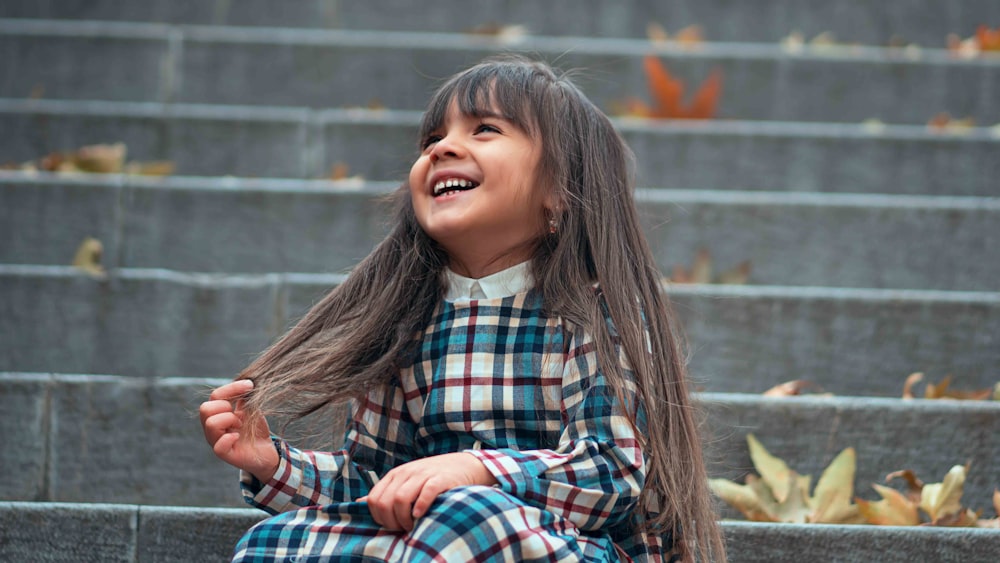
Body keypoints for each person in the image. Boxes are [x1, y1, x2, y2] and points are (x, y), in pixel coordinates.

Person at [200, 55, 725, 562]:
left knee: (468, 514)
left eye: (485, 130)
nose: (443, 148)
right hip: (445, 539)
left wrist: (477, 470)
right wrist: (272, 464)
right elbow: (376, 487)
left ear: (560, 190)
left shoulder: (592, 312)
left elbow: (612, 474)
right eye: (432, 138)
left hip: (579, 547)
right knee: (275, 540)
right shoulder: (406, 323)